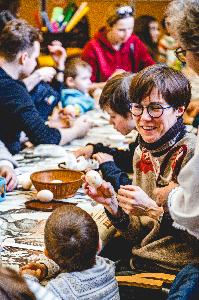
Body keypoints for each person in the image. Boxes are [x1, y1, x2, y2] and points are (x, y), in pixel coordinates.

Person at [83, 63, 199, 274]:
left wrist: (151, 210)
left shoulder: (192, 155)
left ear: (180, 109)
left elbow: (194, 238)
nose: (144, 118)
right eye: (137, 106)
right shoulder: (142, 152)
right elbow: (139, 233)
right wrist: (114, 207)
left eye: (155, 108)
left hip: (173, 271)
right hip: (141, 260)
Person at [0, 19, 91, 154]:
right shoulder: (13, 90)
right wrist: (77, 130)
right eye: (35, 57)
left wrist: (60, 66)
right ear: (24, 58)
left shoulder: (11, 86)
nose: (35, 62)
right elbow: (45, 137)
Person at [20, 205, 120, 300]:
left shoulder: (58, 290)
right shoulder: (107, 266)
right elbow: (74, 256)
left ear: (47, 253)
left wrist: (28, 280)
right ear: (99, 245)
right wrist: (46, 267)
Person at [74, 72, 138, 191]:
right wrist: (96, 149)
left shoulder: (153, 141)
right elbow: (132, 160)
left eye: (113, 116)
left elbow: (134, 191)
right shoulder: (142, 139)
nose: (110, 122)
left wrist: (109, 167)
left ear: (131, 113)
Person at [81, 3, 154, 86]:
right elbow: (85, 86)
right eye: (121, 30)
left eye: (130, 28)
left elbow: (151, 69)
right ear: (109, 27)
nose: (127, 34)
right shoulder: (92, 48)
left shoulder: (134, 42)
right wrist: (111, 83)